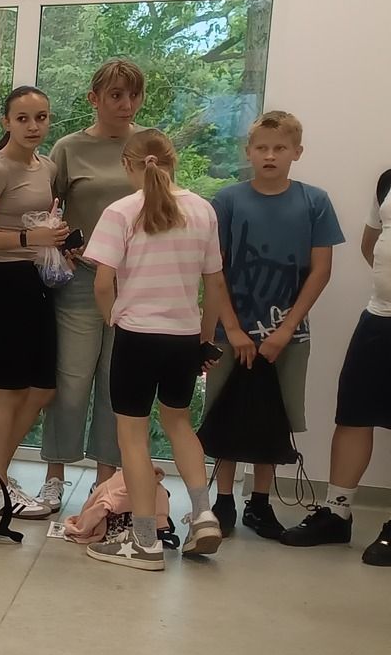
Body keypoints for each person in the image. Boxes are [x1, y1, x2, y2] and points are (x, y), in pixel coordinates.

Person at [81, 131, 226, 569]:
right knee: (179, 424)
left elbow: (103, 283)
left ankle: (144, 541)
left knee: (133, 437)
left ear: (129, 165)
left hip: (137, 337)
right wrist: (204, 338)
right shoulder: (202, 210)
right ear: (171, 161)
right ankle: (203, 514)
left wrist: (113, 318)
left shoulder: (121, 211)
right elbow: (214, 284)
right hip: (184, 337)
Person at [205, 112, 343, 538]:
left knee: (273, 417)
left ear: (296, 152)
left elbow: (321, 270)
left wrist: (285, 330)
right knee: (226, 413)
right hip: (230, 333)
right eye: (261, 148)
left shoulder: (314, 202)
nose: (270, 155)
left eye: (280, 148)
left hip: (288, 336)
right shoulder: (227, 201)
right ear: (248, 152)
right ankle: (222, 501)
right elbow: (213, 269)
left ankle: (260, 503)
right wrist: (232, 329)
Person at [39, 58, 151, 511]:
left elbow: (161, 208)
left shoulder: (148, 144)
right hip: (83, 278)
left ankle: (106, 480)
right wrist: (62, 243)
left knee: (115, 382)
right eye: (116, 95)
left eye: (133, 95)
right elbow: (48, 208)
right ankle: (54, 475)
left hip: (134, 281)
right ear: (94, 99)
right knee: (71, 377)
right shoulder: (69, 148)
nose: (126, 104)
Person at [0, 86, 68, 515]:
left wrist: (56, 240)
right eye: (22, 118)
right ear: (5, 122)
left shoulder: (47, 166)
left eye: (41, 117)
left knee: (41, 389)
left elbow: (44, 222)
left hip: (34, 281)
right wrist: (27, 237)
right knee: (1, 395)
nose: (33, 126)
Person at [280, 163, 391, 564]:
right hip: (379, 316)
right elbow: (371, 244)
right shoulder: (387, 181)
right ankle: (337, 513)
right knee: (353, 415)